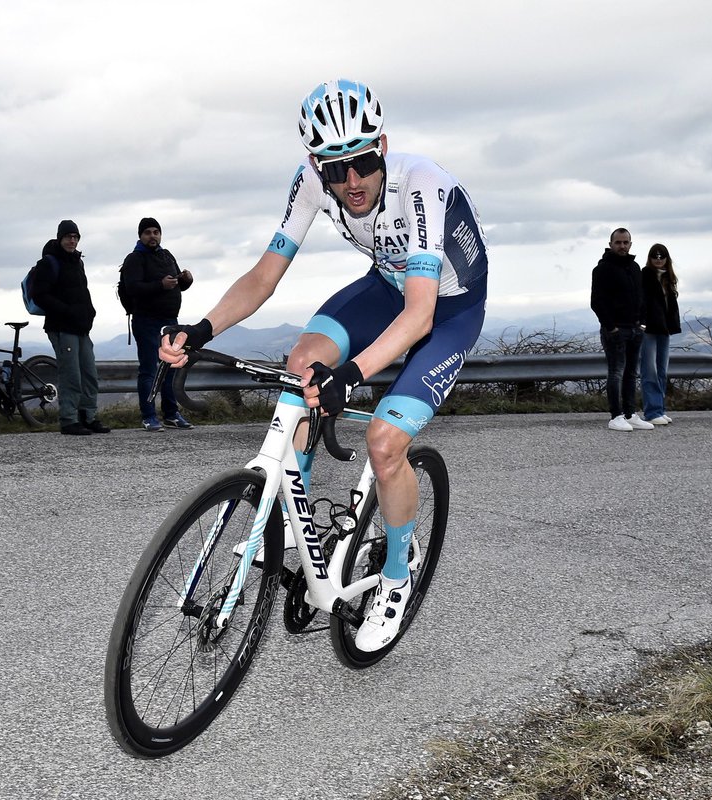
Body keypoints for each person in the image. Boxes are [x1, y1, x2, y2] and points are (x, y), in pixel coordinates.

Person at [159, 79, 489, 652]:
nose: (352, 182)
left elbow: (419, 315)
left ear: (382, 147)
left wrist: (351, 376)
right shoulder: (311, 182)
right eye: (336, 169)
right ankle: (291, 515)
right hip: (386, 287)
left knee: (385, 442)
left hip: (448, 308)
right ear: (317, 165)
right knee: (302, 363)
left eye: (363, 163)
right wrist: (202, 328)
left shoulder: (421, 184)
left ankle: (395, 578)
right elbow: (264, 276)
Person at [29, 219, 109, 435]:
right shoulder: (49, 263)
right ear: (60, 238)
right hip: (62, 327)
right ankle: (69, 420)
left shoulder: (77, 262)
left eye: (75, 237)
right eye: (68, 237)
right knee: (71, 375)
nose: (72, 241)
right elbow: (40, 295)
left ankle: (88, 416)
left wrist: (90, 312)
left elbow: (82, 292)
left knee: (89, 374)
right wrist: (67, 310)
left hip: (81, 327)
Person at [121, 217, 195, 432]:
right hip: (146, 321)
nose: (152, 236)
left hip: (170, 321)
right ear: (140, 236)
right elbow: (132, 288)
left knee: (171, 367)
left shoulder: (166, 255)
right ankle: (149, 416)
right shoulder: (134, 259)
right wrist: (159, 285)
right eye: (148, 232)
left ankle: (171, 414)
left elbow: (177, 286)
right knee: (149, 370)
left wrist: (186, 280)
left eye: (156, 232)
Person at [590, 228, 653, 431]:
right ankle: (616, 416)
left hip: (634, 329)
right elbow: (597, 302)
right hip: (615, 330)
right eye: (618, 242)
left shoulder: (634, 267)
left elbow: (642, 297)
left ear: (630, 244)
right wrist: (612, 328)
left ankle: (630, 414)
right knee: (616, 373)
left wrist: (642, 323)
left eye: (626, 242)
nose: (622, 246)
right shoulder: (602, 269)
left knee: (631, 373)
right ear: (610, 244)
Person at [639, 243, 681, 425]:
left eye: (661, 256)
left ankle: (660, 409)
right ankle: (652, 412)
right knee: (650, 371)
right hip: (649, 329)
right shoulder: (645, 276)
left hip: (664, 329)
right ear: (649, 258)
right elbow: (641, 302)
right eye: (654, 256)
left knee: (662, 370)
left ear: (666, 258)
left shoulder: (668, 279)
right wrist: (641, 322)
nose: (658, 259)